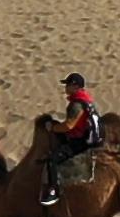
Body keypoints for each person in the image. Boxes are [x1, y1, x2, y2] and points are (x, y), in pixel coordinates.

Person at [39, 73, 101, 208]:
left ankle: (53, 191)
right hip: (85, 136)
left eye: (67, 84)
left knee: (52, 160)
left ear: (75, 86)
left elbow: (69, 125)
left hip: (80, 141)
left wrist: (53, 128)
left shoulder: (76, 104)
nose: (65, 87)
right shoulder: (87, 100)